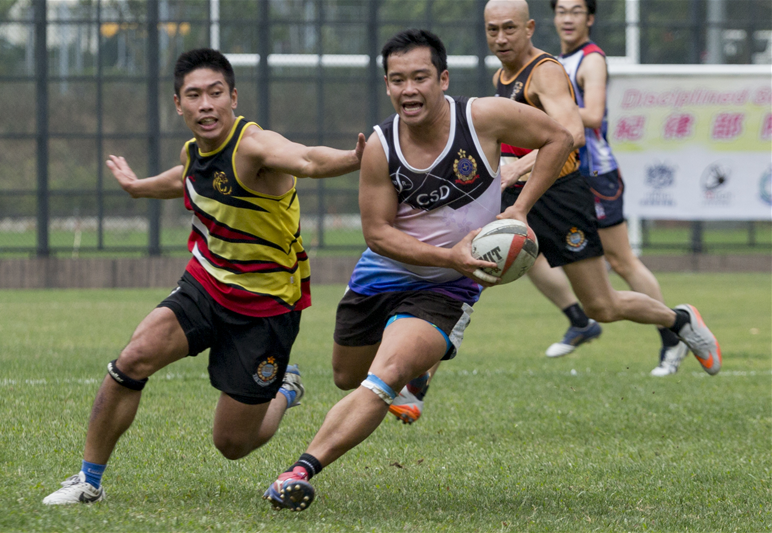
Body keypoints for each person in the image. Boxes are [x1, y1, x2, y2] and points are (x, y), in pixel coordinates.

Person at [262, 28, 576, 512]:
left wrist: (520, 208)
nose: (409, 89)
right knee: (347, 376)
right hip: (382, 275)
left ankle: (298, 471)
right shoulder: (381, 146)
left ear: (443, 79)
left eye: (420, 77)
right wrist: (449, 254)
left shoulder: (483, 117)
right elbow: (378, 233)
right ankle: (369, 377)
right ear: (387, 85)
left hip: (448, 289)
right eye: (397, 80)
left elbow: (559, 136)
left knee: (384, 376)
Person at [42, 48, 365, 505]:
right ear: (179, 104)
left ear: (234, 97)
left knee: (232, 444)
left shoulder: (254, 146)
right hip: (206, 284)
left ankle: (284, 390)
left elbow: (307, 159)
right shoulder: (193, 151)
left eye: (215, 93)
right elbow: (186, 177)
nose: (206, 104)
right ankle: (87, 481)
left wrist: (355, 158)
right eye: (194, 95)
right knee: (131, 360)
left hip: (265, 307)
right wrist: (137, 188)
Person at [390, 0, 722, 424]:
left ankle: (679, 319)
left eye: (509, 28)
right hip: (516, 193)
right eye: (492, 30)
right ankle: (418, 383)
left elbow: (572, 133)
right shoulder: (500, 76)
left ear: (529, 28)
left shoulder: (544, 72)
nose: (500, 38)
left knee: (602, 305)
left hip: (561, 194)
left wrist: (518, 171)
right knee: (465, 274)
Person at [540, 0, 688, 375]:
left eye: (576, 11)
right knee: (527, 248)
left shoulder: (591, 59)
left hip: (595, 174)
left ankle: (673, 335)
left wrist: (542, 110)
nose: (568, 18)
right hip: (564, 173)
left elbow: (593, 114)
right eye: (561, 11)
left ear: (590, 18)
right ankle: (578, 319)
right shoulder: (555, 62)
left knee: (621, 261)